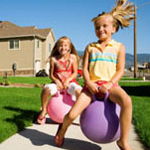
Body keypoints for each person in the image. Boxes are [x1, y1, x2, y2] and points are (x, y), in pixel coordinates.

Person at [54, 0, 135, 150]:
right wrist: (89, 84)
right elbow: (84, 69)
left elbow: (120, 70)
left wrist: (110, 84)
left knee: (127, 101)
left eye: (105, 26)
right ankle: (62, 130)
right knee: (72, 115)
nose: (101, 29)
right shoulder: (90, 47)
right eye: (97, 27)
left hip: (111, 86)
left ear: (114, 29)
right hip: (90, 87)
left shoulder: (119, 47)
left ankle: (123, 140)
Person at [37, 36, 82, 125]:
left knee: (79, 91)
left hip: (70, 83)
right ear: (57, 47)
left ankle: (80, 113)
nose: (63, 47)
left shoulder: (73, 58)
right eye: (60, 45)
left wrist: (68, 80)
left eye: (66, 45)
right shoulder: (53, 59)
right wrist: (56, 81)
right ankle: (44, 110)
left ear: (69, 47)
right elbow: (51, 75)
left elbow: (75, 73)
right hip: (57, 84)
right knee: (46, 89)